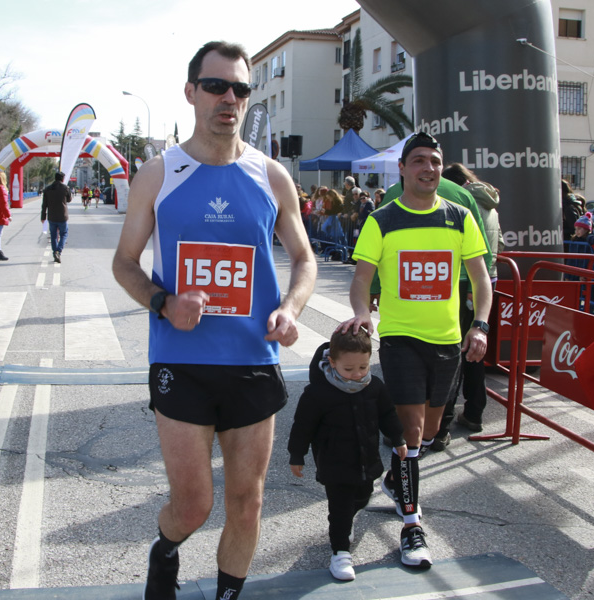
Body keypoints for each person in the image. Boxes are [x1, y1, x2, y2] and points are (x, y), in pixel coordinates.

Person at [111, 41, 316, 600]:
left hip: (253, 359)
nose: (230, 98)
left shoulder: (271, 176)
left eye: (240, 89)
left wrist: (290, 308)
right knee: (193, 505)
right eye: (217, 86)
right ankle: (166, 547)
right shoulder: (158, 174)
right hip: (182, 361)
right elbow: (124, 264)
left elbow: (304, 257)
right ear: (191, 92)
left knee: (248, 503)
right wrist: (163, 303)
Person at [340, 131, 491, 569]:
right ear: (403, 168)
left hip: (447, 342)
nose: (429, 168)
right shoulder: (382, 219)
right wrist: (362, 314)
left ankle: (395, 478)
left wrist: (479, 325)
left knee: (428, 433)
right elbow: (361, 279)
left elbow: (482, 280)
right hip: (402, 339)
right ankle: (412, 527)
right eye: (419, 160)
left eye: (436, 162)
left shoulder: (460, 216)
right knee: (410, 436)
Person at [287, 327, 405, 581]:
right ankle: (340, 552)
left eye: (362, 367)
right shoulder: (318, 393)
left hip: (366, 461)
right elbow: (302, 426)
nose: (356, 375)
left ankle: (347, 521)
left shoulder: (374, 387)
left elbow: (388, 414)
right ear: (332, 362)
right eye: (348, 369)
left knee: (362, 498)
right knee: (339, 509)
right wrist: (297, 455)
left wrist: (398, 439)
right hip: (334, 464)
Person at [439, 162, 501, 433]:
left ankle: (447, 416)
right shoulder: (489, 199)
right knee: (474, 350)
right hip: (489, 278)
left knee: (455, 350)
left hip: (467, 281)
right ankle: (475, 412)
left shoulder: (460, 201)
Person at [40, 171, 72, 263]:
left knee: (53, 236)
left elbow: (44, 205)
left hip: (52, 216)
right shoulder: (65, 188)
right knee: (64, 234)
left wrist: (43, 216)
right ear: (62, 179)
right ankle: (58, 251)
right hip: (62, 216)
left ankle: (55, 252)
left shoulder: (47, 189)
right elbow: (69, 199)